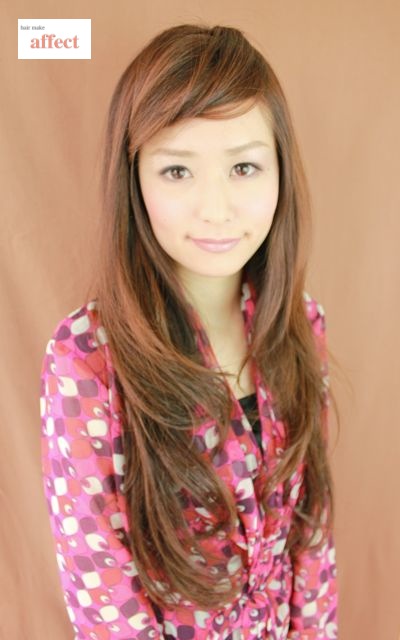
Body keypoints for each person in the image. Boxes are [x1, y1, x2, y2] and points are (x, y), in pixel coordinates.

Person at [39, 23, 338, 640]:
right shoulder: (88, 359)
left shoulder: (302, 324)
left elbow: (312, 548)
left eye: (244, 167)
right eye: (177, 171)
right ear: (135, 180)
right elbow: (104, 601)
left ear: (280, 172)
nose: (216, 209)